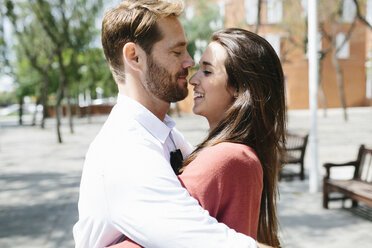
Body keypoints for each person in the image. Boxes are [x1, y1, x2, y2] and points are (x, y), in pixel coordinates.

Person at [73, 1, 260, 247]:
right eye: (177, 51)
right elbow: (207, 241)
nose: (189, 62)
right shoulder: (124, 151)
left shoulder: (167, 136)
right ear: (135, 57)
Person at [110, 28, 286, 248]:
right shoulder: (239, 155)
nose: (193, 79)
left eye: (208, 71)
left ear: (239, 89)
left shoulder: (226, 158)